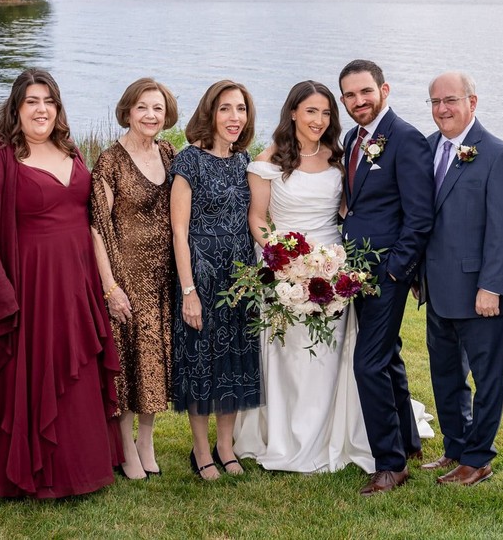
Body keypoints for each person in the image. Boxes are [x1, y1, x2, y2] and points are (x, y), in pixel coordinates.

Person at [0, 68, 123, 498]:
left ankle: (73, 467)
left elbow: (87, 214)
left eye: (49, 101)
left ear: (58, 108)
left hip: (73, 284)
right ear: (16, 108)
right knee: (25, 371)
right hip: (25, 284)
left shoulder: (69, 148)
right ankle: (18, 472)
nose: (41, 110)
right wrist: (2, 296)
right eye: (31, 102)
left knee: (70, 368)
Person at [233, 80, 375, 474]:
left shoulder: (339, 157)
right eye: (311, 111)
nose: (319, 120)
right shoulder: (268, 161)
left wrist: (336, 264)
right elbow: (258, 220)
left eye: (326, 112)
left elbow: (346, 211)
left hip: (333, 269)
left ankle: (331, 430)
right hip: (285, 270)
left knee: (330, 356)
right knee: (289, 356)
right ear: (293, 112)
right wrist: (282, 262)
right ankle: (284, 436)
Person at [417, 72, 503, 486]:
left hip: (481, 292)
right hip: (437, 289)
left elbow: (502, 227)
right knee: (446, 375)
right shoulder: (425, 150)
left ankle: (478, 459)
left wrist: (491, 285)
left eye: (451, 100)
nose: (443, 108)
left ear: (472, 103)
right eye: (435, 101)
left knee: (487, 378)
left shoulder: (498, 155)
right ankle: (455, 447)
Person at [338, 59, 434, 496]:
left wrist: (397, 271)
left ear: (384, 89)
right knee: (388, 354)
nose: (358, 101)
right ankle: (409, 441)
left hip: (386, 273)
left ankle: (390, 465)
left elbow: (419, 216)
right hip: (353, 271)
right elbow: (356, 205)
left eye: (365, 92)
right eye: (350, 95)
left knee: (368, 362)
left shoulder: (407, 139)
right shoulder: (350, 138)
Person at [170, 79, 262, 481]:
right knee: (201, 362)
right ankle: (201, 450)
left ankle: (226, 446)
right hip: (202, 276)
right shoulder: (188, 161)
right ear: (210, 112)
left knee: (234, 362)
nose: (234, 117)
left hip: (239, 277)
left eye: (240, 109)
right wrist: (188, 291)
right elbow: (178, 230)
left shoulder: (245, 161)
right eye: (226, 109)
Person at [90, 77, 178, 480]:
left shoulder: (168, 152)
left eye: (158, 108)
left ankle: (146, 440)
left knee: (155, 361)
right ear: (128, 111)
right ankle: (125, 445)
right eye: (143, 107)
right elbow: (96, 226)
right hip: (126, 275)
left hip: (163, 275)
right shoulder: (109, 160)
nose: (151, 115)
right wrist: (110, 286)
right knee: (127, 361)